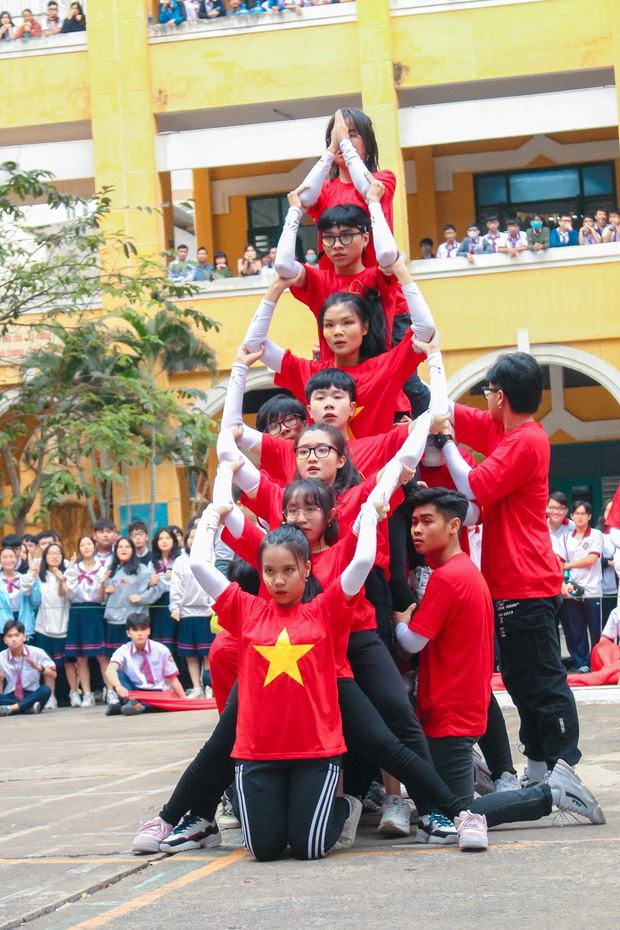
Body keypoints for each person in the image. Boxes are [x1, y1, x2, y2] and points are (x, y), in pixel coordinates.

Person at [186, 496, 384, 861]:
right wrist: (215, 513)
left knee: (308, 848)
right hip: (257, 752)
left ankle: (346, 806)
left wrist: (369, 516)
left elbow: (363, 561)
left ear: (306, 569)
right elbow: (199, 563)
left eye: (288, 570)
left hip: (315, 752)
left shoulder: (326, 610)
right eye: (269, 572)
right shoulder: (246, 610)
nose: (278, 581)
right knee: (264, 850)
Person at [434, 345, 581, 785]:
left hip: (527, 580)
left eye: (488, 390)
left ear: (501, 396)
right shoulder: (502, 430)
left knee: (542, 681)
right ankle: (539, 769)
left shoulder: (525, 439)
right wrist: (427, 356)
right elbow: (446, 409)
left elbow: (475, 486)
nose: (484, 398)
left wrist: (444, 444)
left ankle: (563, 768)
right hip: (510, 581)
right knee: (520, 680)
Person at [246, 265, 433, 440]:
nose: (337, 331)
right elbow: (254, 344)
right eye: (329, 325)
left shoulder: (385, 367)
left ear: (365, 327)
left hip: (377, 473)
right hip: (320, 474)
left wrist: (400, 270)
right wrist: (277, 287)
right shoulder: (309, 373)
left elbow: (425, 330)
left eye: (347, 323)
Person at [394, 487, 493, 811]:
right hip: (463, 707)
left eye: (427, 521)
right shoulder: (467, 571)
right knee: (445, 811)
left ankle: (546, 796)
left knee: (458, 814)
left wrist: (398, 622)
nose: (417, 530)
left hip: (450, 713)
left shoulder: (447, 578)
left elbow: (412, 641)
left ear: (453, 526)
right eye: (414, 522)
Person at [295, 107, 396, 271]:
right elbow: (303, 197)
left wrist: (345, 144)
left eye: (353, 135)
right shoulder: (324, 189)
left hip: (377, 286)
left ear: (368, 143)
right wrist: (329, 152)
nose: (344, 141)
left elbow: (366, 191)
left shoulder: (383, 180)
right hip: (335, 291)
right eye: (338, 136)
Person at [24, 542, 78, 710]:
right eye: (50, 553)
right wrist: (32, 570)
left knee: (69, 663)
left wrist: (63, 577)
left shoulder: (69, 572)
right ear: (45, 557)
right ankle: (51, 697)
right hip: (43, 626)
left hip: (65, 624)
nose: (54, 556)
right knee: (48, 664)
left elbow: (69, 594)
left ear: (63, 556)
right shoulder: (39, 576)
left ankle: (74, 693)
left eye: (58, 553)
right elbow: (26, 590)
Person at [104, 616, 186, 716]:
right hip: (133, 692)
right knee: (119, 673)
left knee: (165, 702)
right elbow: (110, 670)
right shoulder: (123, 650)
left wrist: (184, 701)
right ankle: (135, 704)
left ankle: (124, 707)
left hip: (157, 692)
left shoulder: (161, 650)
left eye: (143, 629)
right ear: (128, 633)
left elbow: (172, 678)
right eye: (135, 630)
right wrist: (118, 686)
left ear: (148, 631)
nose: (139, 634)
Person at [556, 501, 603, 673]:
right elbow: (559, 562)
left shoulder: (596, 535)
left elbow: (592, 559)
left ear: (590, 516)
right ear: (572, 516)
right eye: (577, 513)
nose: (580, 516)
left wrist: (569, 565)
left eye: (584, 513)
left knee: (596, 630)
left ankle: (598, 662)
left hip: (593, 591)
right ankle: (583, 663)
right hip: (573, 591)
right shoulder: (565, 538)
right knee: (576, 629)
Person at [170, 525, 216, 698]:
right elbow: (175, 587)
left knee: (207, 653)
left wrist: (214, 605)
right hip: (187, 614)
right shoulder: (180, 561)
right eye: (190, 537)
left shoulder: (210, 557)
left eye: (197, 537)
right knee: (190, 654)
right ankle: (197, 687)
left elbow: (215, 582)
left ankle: (210, 685)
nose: (193, 540)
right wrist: (175, 608)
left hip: (206, 613)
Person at [102, 537, 163, 661]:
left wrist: (141, 598)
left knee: (136, 658)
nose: (123, 550)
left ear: (133, 550)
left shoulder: (141, 569)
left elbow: (158, 587)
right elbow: (102, 597)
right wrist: (105, 589)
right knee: (115, 659)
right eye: (120, 547)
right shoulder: (111, 570)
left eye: (127, 547)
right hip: (114, 621)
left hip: (134, 622)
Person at [65, 534, 108, 707]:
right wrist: (69, 572)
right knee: (81, 657)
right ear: (79, 548)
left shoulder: (103, 568)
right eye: (82, 544)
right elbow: (69, 594)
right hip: (78, 612)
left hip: (96, 611)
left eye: (89, 543)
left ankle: (110, 690)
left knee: (102, 655)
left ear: (95, 546)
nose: (86, 547)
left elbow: (102, 596)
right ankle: (87, 693)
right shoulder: (74, 568)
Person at [0, 620, 55, 716]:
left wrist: (38, 668)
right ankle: (27, 708)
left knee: (46, 690)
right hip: (10, 696)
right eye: (10, 636)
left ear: (24, 637)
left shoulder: (37, 652)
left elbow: (53, 674)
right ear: (5, 640)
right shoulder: (1, 657)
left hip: (32, 694)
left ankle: (12, 708)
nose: (13, 639)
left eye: (17, 635)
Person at [149, 527, 181, 652]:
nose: (164, 541)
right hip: (158, 603)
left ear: (173, 540)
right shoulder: (152, 563)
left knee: (177, 641)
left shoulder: (180, 560)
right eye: (160, 538)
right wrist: (149, 583)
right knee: (161, 642)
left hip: (176, 601)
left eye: (167, 538)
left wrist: (174, 576)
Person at [0, 547, 41, 642]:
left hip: (24, 623)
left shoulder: (25, 578)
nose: (8, 560)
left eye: (11, 557)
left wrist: (34, 576)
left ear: (17, 559)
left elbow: (36, 601)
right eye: (5, 557)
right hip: (2, 626)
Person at [599, 500, 618, 627]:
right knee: (606, 625)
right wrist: (610, 562)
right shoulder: (597, 533)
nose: (611, 513)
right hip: (604, 589)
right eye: (608, 510)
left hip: (618, 588)